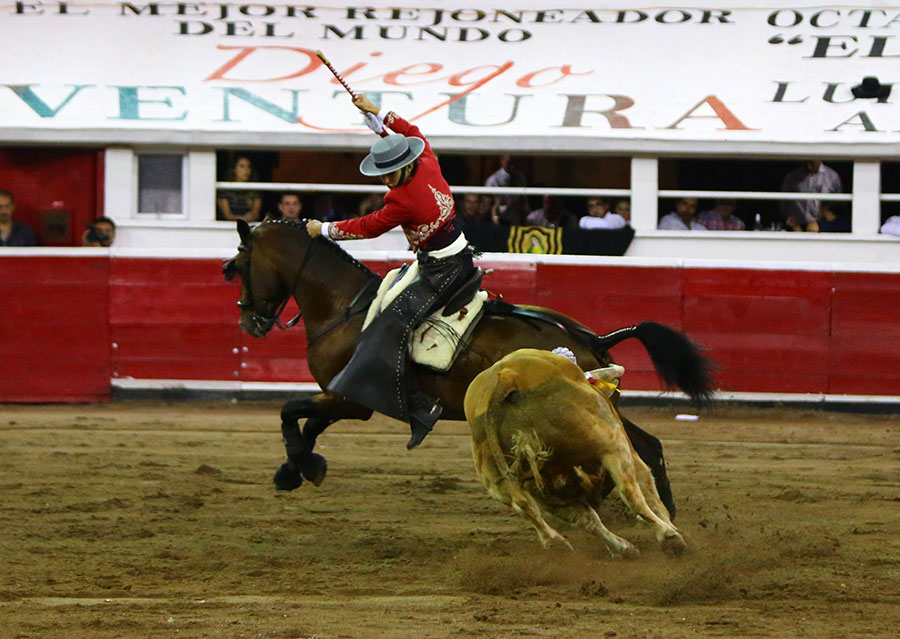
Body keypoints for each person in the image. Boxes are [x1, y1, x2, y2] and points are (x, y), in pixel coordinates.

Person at [306, 93, 475, 450]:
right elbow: (411, 130)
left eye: (388, 173)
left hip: (440, 269)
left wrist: (322, 229)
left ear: (404, 166)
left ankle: (421, 404)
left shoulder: (401, 199)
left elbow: (367, 227)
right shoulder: (426, 158)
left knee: (391, 324)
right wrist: (378, 113)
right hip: (454, 255)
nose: (385, 181)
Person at [780, 160, 842, 231]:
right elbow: (784, 202)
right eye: (807, 162)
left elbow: (839, 204)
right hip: (797, 225)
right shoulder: (792, 176)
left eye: (812, 163)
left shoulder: (832, 176)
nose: (809, 167)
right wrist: (789, 218)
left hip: (824, 225)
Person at [216, 155, 262, 222]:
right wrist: (242, 219)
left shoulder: (255, 190)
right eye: (242, 166)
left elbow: (255, 213)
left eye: (248, 166)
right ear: (234, 169)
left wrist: (251, 216)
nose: (246, 170)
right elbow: (227, 215)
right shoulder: (225, 189)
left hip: (249, 227)